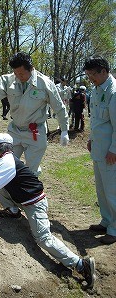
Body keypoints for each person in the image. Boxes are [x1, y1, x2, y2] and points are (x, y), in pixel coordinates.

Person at [0, 133, 96, 289]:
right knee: (1, 186)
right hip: (24, 199)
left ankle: (81, 264)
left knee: (43, 238)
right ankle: (14, 211)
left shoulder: (7, 162)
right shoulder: (6, 159)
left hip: (35, 204)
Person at [0, 52, 69, 176]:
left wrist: (64, 130)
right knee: (7, 167)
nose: (18, 76)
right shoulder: (8, 80)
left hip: (35, 132)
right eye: (16, 73)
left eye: (22, 73)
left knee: (31, 172)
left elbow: (59, 107)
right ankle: (9, 194)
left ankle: (30, 188)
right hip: (15, 131)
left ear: (31, 68)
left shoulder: (44, 83)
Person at [83, 55, 116, 245]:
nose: (90, 79)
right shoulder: (97, 89)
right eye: (88, 75)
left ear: (103, 71)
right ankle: (106, 221)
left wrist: (114, 149)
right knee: (102, 190)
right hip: (98, 148)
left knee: (112, 191)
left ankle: (114, 228)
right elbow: (97, 119)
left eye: (92, 75)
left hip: (110, 152)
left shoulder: (114, 91)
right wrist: (91, 139)